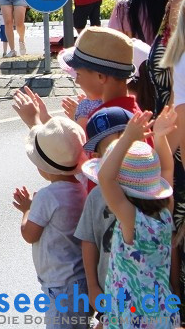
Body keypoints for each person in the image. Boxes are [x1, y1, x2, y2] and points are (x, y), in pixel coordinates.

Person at [90, 110, 178, 329]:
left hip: (135, 319)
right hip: (161, 312)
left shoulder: (133, 222)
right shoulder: (165, 211)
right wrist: (160, 136)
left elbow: (106, 178)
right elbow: (167, 168)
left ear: (122, 191)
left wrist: (128, 138)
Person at [12, 117, 88, 328]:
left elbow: (30, 234)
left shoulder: (47, 196)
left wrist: (27, 209)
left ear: (43, 168)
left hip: (58, 284)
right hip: (80, 277)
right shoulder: (83, 185)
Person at [74, 106, 131, 327]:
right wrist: (92, 286)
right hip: (108, 291)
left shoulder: (149, 191)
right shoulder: (96, 196)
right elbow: (89, 240)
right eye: (105, 150)